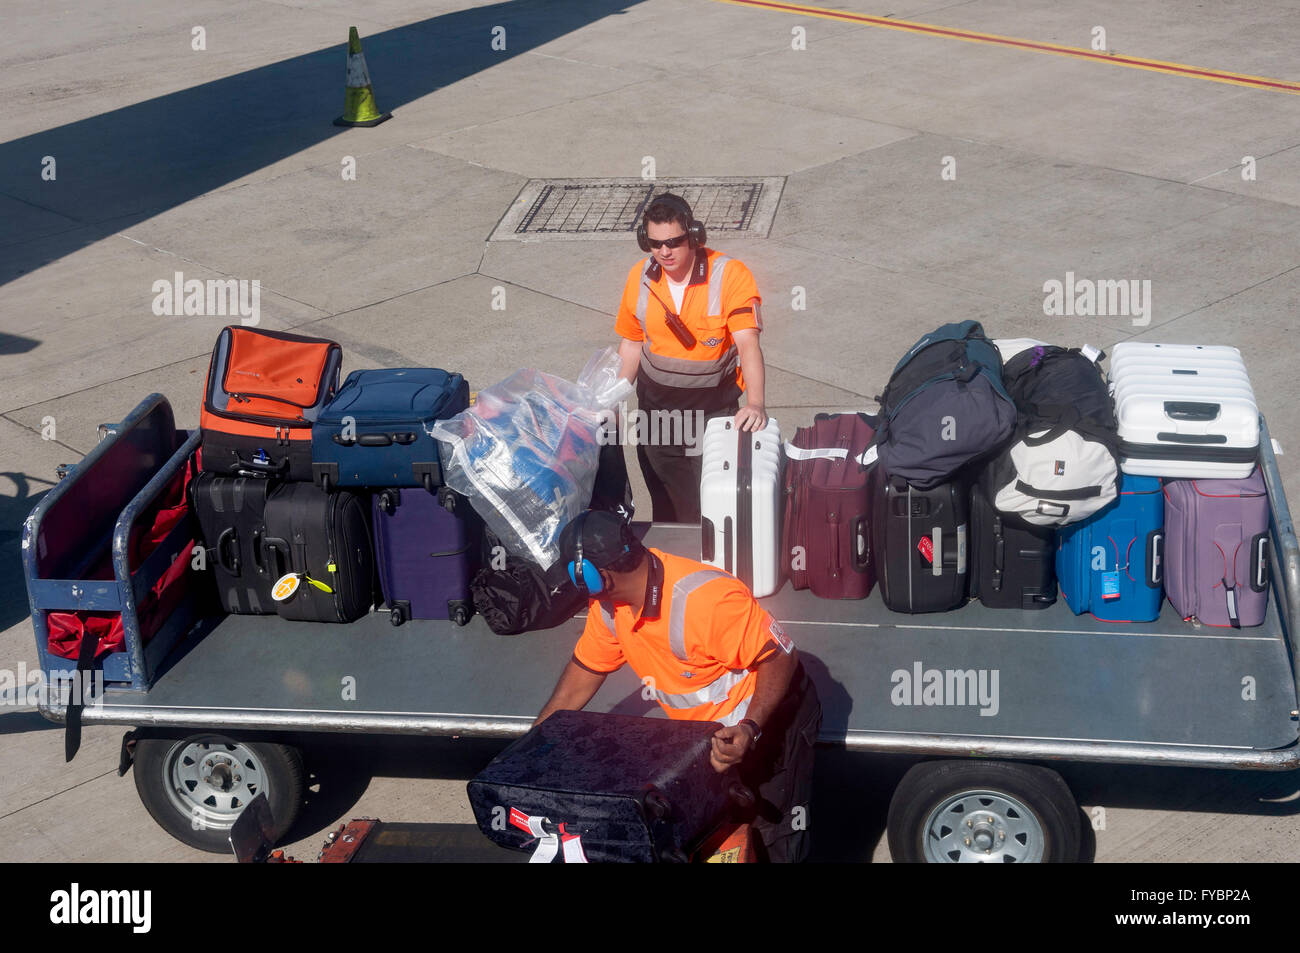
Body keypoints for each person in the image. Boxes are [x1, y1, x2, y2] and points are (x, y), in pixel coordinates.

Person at [534, 510, 821, 862]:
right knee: (711, 828)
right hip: (706, 737)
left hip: (772, 720)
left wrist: (749, 728)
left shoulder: (705, 600)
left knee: (774, 836)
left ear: (593, 576)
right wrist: (538, 737)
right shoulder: (609, 608)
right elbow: (585, 671)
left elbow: (782, 657)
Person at [614, 193, 768, 523]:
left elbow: (748, 345)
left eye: (674, 242)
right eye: (654, 244)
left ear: (694, 237)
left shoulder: (730, 275)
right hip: (655, 415)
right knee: (667, 509)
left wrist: (755, 403)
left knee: (714, 506)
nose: (664, 252)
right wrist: (609, 400)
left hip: (712, 415)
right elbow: (630, 344)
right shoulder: (639, 277)